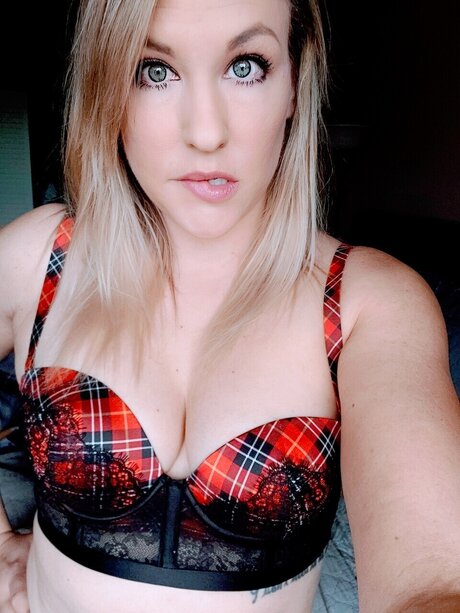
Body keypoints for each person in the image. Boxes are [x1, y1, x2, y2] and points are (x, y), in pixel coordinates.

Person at [1, 0, 459, 611]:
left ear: (294, 83)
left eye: (245, 67)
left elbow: (431, 579)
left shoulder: (367, 303)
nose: (206, 133)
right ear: (107, 88)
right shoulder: (40, 256)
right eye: (154, 71)